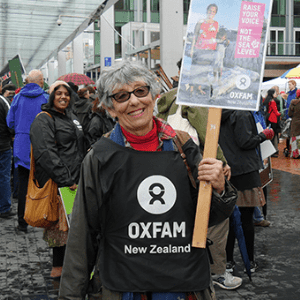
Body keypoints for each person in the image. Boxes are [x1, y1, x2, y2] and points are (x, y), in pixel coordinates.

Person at [59, 61, 237, 299]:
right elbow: (83, 234)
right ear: (110, 108)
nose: (134, 101)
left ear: (154, 96)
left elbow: (212, 215)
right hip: (126, 285)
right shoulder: (100, 157)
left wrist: (219, 189)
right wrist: (71, 295)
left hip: (183, 284)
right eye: (121, 96)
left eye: (140, 91)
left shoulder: (182, 146)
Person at [156, 87, 242, 290]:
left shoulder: (166, 99)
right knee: (215, 218)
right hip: (196, 165)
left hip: (167, 165)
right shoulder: (194, 95)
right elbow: (207, 130)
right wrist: (221, 160)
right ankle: (217, 272)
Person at [30, 81, 85, 279]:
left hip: (76, 179)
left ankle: (71, 269)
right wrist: (65, 178)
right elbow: (45, 153)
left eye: (67, 94)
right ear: (51, 96)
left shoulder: (70, 116)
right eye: (58, 93)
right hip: (61, 182)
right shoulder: (44, 119)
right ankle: (60, 271)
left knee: (73, 227)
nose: (63, 97)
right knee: (61, 228)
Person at [218, 110, 274, 274]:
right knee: (246, 220)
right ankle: (249, 261)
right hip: (245, 171)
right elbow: (245, 142)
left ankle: (229, 261)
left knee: (228, 221)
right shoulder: (241, 113)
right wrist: (264, 135)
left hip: (227, 170)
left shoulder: (217, 112)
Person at [6, 69, 48, 233]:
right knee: (44, 183)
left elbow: (10, 122)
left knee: (23, 184)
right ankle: (44, 217)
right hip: (43, 145)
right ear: (39, 82)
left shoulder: (17, 98)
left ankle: (22, 223)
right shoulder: (46, 98)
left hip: (23, 147)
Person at [189, 4, 219, 95]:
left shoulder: (216, 24)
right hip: (199, 49)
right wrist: (192, 48)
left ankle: (199, 88)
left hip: (210, 50)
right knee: (195, 69)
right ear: (207, 11)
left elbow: (215, 37)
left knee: (204, 70)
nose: (211, 12)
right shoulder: (200, 22)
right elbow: (195, 35)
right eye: (210, 10)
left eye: (213, 11)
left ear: (215, 13)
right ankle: (191, 88)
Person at [0, 91, 15, 218]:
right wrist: (12, 134)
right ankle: (4, 208)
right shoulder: (3, 101)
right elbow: (11, 121)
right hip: (2, 145)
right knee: (4, 176)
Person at [263, 88, 281, 156]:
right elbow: (276, 112)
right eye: (274, 93)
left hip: (268, 119)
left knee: (269, 133)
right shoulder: (273, 101)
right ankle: (273, 151)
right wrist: (280, 113)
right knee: (273, 135)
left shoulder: (266, 100)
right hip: (273, 119)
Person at [284, 80, 298, 155]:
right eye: (288, 84)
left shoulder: (295, 94)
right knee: (288, 134)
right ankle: (289, 149)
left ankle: (295, 149)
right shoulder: (289, 94)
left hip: (294, 117)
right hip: (288, 117)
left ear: (294, 85)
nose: (289, 86)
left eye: (290, 84)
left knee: (295, 134)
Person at [288, 89, 300, 159]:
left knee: (295, 138)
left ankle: (295, 154)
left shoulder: (293, 103)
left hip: (295, 122)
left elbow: (289, 114)